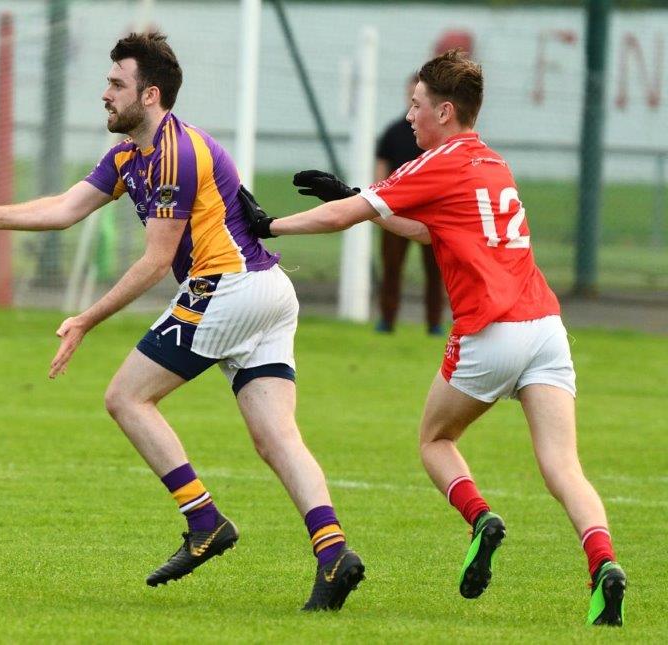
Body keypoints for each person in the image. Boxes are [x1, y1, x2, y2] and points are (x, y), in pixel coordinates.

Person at [0, 31, 364, 611]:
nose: (104, 93)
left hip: (226, 288)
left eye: (116, 84)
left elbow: (157, 260)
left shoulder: (174, 155)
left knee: (127, 398)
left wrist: (85, 319)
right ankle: (333, 554)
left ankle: (205, 521)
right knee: (276, 437)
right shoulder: (130, 152)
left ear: (150, 94)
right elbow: (65, 208)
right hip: (268, 292)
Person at [249, 50, 626, 626]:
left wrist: (270, 225)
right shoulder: (491, 163)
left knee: (434, 439)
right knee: (563, 466)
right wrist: (356, 196)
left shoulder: (437, 163)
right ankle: (603, 565)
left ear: (445, 111)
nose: (409, 116)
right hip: (546, 329)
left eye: (417, 104)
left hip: (490, 331)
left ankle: (481, 519)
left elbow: (340, 220)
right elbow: (429, 230)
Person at [375, 75, 444, 335]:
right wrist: (377, 203)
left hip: (432, 214)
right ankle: (386, 319)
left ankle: (435, 322)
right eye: (411, 98)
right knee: (391, 268)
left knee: (437, 271)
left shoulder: (438, 137)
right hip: (397, 212)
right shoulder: (393, 133)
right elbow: (381, 172)